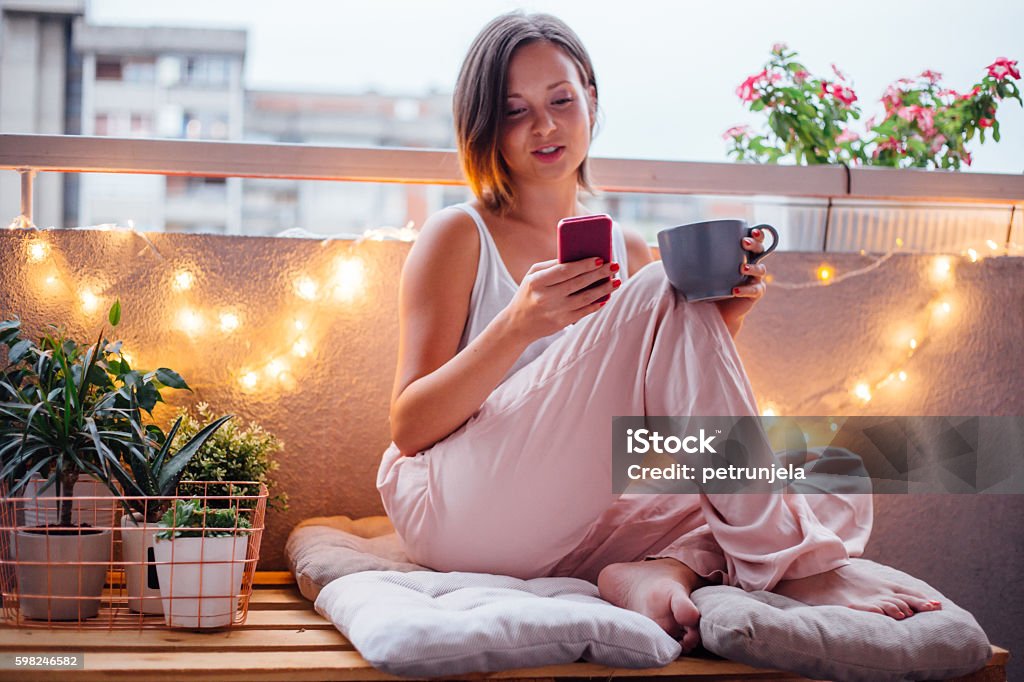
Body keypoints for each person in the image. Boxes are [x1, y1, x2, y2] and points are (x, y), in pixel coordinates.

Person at [377, 11, 941, 652]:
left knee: (833, 469)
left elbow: (671, 425)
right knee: (661, 291)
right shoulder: (457, 234)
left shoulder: (629, 246)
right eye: (514, 110)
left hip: (584, 515)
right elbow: (409, 427)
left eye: (561, 99)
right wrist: (515, 327)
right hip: (463, 504)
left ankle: (661, 569)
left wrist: (719, 318)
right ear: (486, 125)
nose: (545, 125)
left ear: (590, 97)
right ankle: (798, 569)